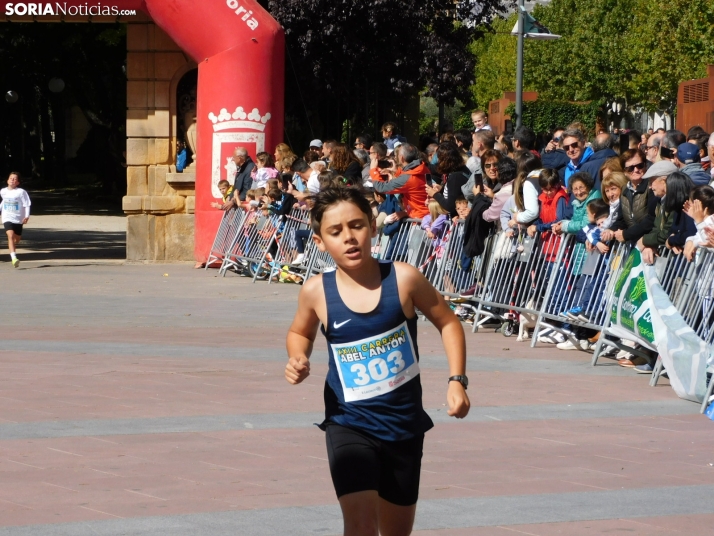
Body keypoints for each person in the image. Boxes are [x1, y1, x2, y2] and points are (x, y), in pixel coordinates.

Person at [284, 187, 469, 536]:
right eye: (335, 232)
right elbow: (300, 332)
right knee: (361, 527)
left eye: (356, 226)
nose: (349, 238)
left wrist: (457, 380)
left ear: (372, 226)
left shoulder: (403, 279)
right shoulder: (315, 291)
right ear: (320, 241)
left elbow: (448, 322)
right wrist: (298, 357)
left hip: (403, 426)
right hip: (348, 422)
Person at [638, 171, 695, 265]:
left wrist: (672, 240)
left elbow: (690, 233)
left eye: (669, 188)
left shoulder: (689, 208)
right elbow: (671, 231)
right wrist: (671, 238)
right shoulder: (677, 208)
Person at [612, 149, 663, 245]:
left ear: (645, 165)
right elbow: (621, 219)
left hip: (649, 243)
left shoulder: (652, 187)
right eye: (630, 168)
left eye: (639, 165)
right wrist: (611, 230)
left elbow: (651, 219)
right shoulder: (624, 190)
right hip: (632, 243)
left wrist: (627, 234)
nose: (636, 170)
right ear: (624, 171)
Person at [370, 143, 430, 219]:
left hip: (419, 220)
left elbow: (382, 188)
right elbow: (409, 181)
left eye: (396, 155)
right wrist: (396, 171)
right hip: (426, 215)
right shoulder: (423, 168)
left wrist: (373, 170)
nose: (395, 158)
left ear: (401, 158)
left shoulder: (408, 178)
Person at [425, 143, 471, 218]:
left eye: (439, 158)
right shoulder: (460, 171)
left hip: (457, 221)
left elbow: (450, 206)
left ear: (445, 160)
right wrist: (440, 191)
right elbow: (452, 195)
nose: (437, 161)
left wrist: (435, 194)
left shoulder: (455, 177)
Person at [1, 172, 31, 268]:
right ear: (7, 180)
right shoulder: (3, 191)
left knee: (16, 239)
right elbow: (3, 202)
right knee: (10, 235)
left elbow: (27, 204)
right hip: (7, 217)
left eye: (15, 179)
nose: (12, 180)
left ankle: (12, 247)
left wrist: (26, 216)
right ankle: (14, 258)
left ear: (18, 182)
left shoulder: (21, 192)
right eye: (11, 178)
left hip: (18, 218)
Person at [683, 185, 714, 261]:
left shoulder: (710, 221)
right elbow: (698, 237)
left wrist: (699, 222)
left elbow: (707, 242)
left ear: (698, 206)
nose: (689, 206)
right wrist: (690, 240)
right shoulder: (705, 221)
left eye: (691, 203)